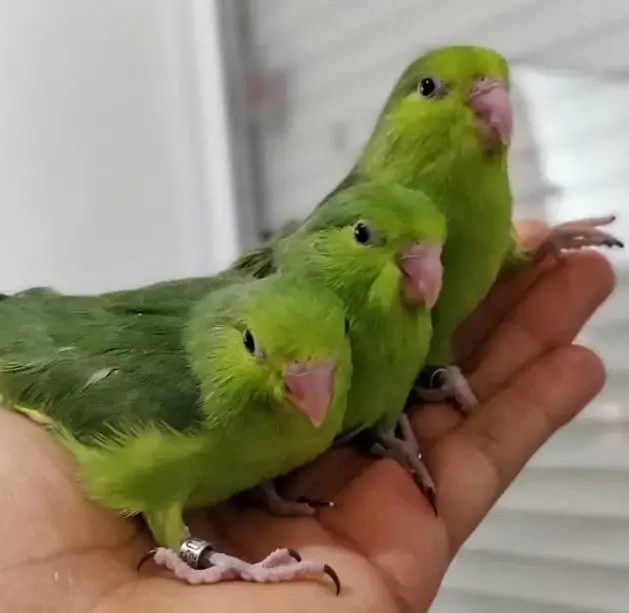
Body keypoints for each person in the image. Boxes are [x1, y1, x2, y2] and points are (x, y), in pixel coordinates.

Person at [0, 221, 614, 613]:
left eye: (330, 365)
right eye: (258, 355)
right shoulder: (178, 392)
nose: (310, 394)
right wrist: (198, 553)